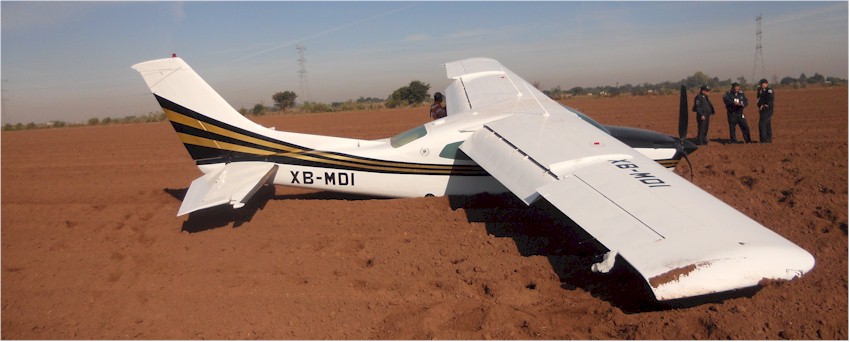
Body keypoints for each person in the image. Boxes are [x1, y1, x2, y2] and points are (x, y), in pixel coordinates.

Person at [756, 79, 774, 143]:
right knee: (767, 124)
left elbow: (770, 99)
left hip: (767, 109)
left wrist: (765, 105)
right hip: (762, 110)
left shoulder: (769, 90)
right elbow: (758, 98)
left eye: (763, 84)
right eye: (761, 84)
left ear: (766, 84)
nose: (761, 85)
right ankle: (768, 139)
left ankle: (763, 139)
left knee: (762, 124)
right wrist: (759, 105)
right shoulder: (759, 90)